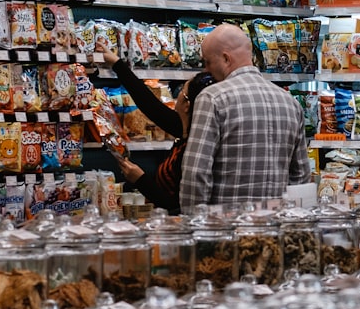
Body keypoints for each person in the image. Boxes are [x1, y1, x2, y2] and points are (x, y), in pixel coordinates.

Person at [179, 22, 311, 211]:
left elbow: (196, 174)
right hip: (275, 229)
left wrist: (194, 225)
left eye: (207, 62)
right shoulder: (290, 103)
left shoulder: (212, 98)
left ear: (225, 59)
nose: (206, 70)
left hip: (226, 231)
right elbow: (300, 177)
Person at [99, 45, 213, 214]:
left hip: (181, 227)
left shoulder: (194, 149)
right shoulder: (187, 128)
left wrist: (140, 179)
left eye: (183, 91)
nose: (179, 94)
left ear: (187, 105)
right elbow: (151, 107)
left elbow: (176, 203)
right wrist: (117, 64)